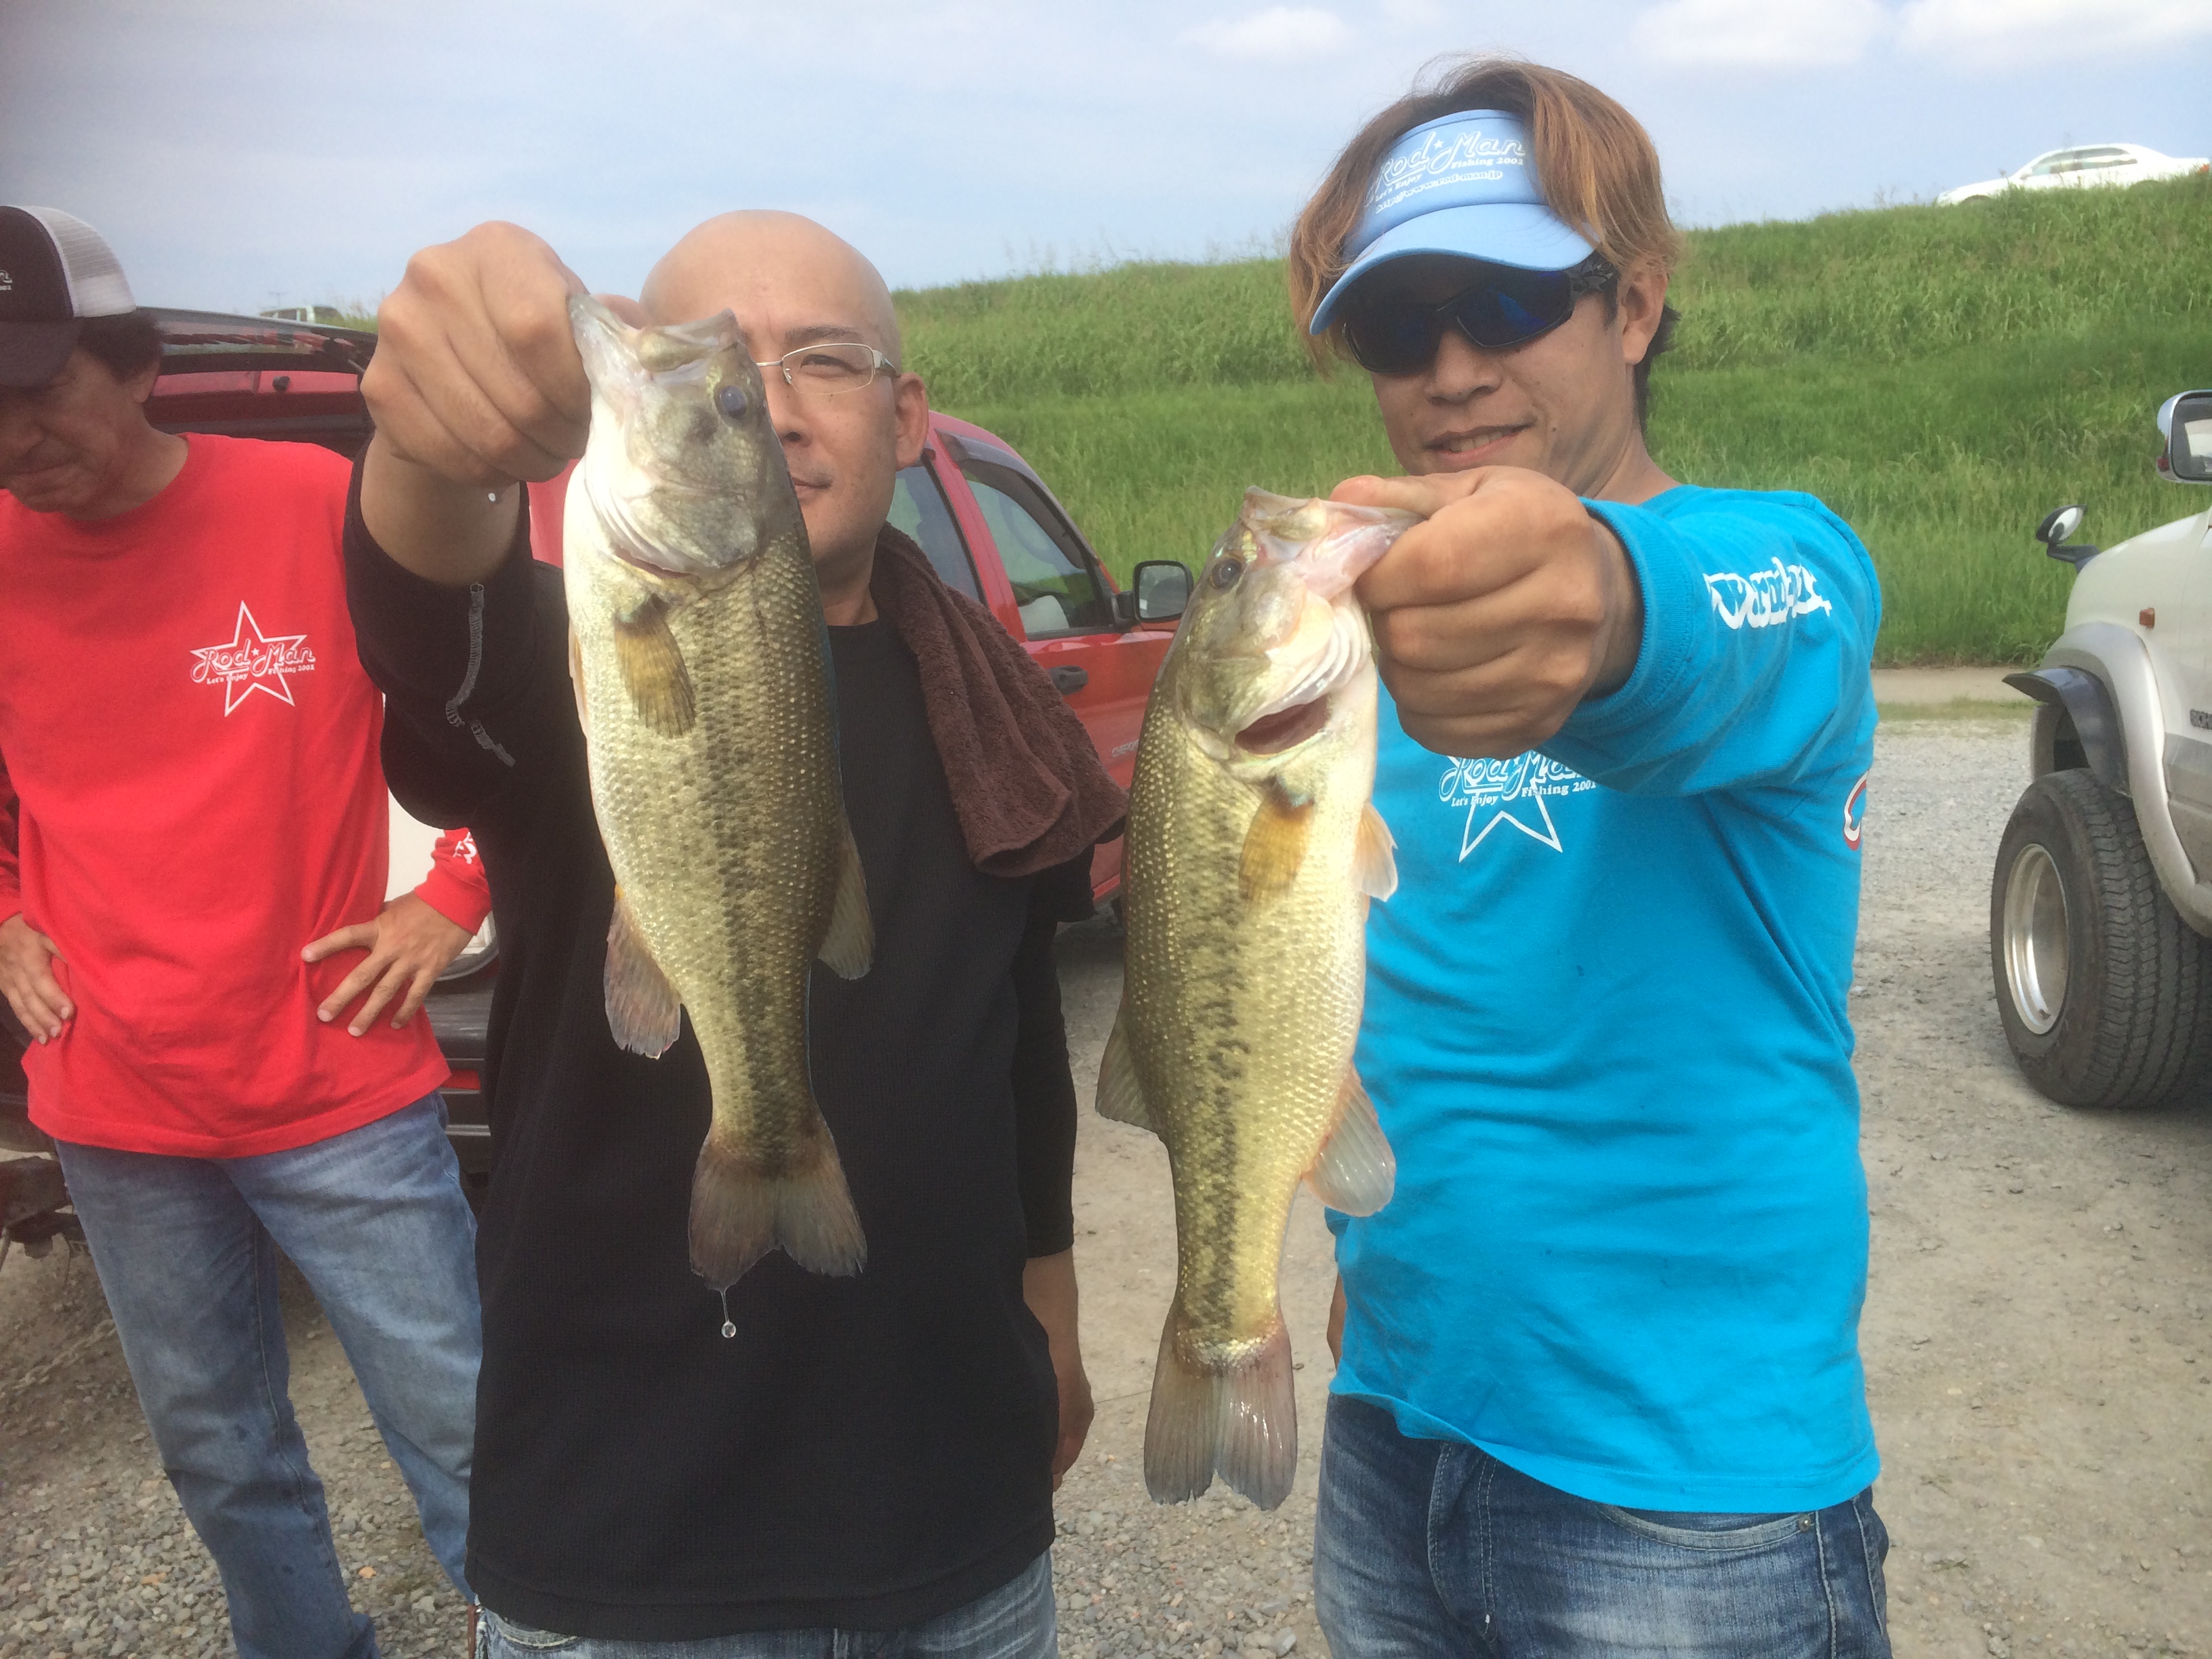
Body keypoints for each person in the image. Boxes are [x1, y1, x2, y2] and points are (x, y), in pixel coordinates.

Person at [346, 209, 1122, 1655]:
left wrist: (1055, 1314)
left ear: (908, 415)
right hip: (622, 1537)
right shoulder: (570, 644)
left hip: (954, 1515)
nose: (773, 402)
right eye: (719, 364)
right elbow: (428, 612)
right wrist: (431, 453)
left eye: (822, 359)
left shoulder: (999, 714)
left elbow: (1024, 1051)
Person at [1283, 62, 1890, 1656]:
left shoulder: (1785, 564)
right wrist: (1373, 1269)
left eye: (1508, 300)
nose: (1454, 369)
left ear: (1635, 303)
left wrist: (1604, 601)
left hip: (1688, 1506)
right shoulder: (1368, 653)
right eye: (1398, 326)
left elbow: (1693, 626)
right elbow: (1405, 982)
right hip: (1393, 1422)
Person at [0, 205, 486, 1659]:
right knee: (219, 1454)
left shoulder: (309, 503)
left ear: (137, 363)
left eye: (39, 387)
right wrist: (7, 911)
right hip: (112, 1100)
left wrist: (457, 886)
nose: (14, 434)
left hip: (336, 1084)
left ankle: (535, 1637)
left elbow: (518, 697)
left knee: (466, 1429)